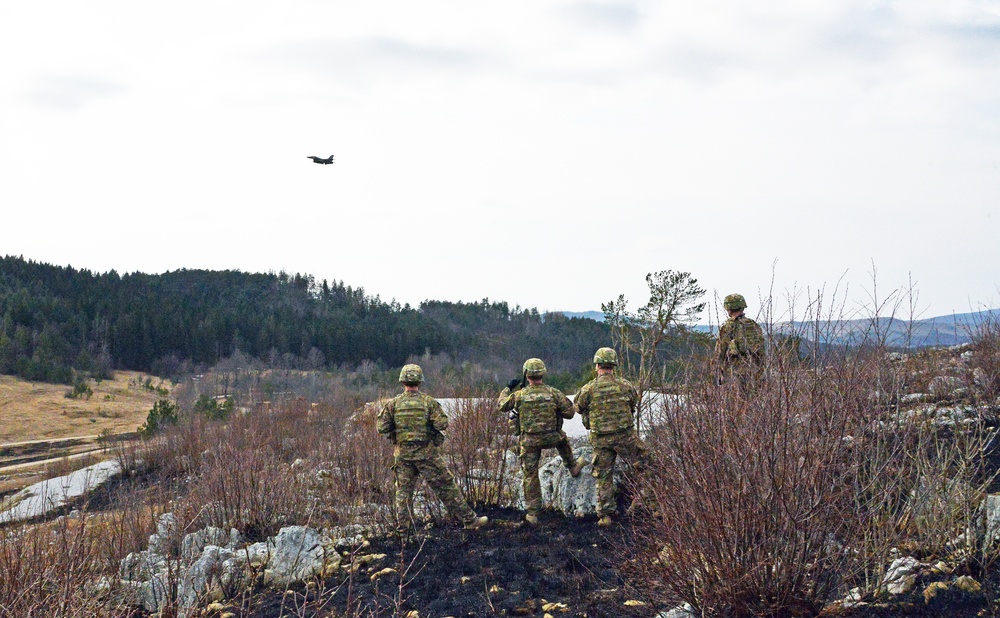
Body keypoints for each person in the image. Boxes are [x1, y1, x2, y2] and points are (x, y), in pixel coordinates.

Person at [377, 364, 488, 534]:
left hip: (403, 455)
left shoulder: (394, 404)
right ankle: (470, 520)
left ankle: (403, 532)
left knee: (403, 494)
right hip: (427, 455)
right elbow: (442, 423)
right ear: (420, 381)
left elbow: (381, 427)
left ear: (402, 381)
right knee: (446, 487)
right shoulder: (428, 403)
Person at [498, 358, 585, 525]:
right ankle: (572, 466)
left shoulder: (520, 395)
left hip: (530, 441)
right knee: (563, 439)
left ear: (527, 376)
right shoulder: (553, 393)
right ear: (543, 374)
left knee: (530, 474)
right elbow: (570, 413)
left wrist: (507, 388)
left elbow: (502, 405)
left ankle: (533, 514)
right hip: (552, 436)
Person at [574, 347, 648, 527]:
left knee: (603, 476)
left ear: (597, 365)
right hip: (626, 436)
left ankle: (606, 515)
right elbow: (633, 403)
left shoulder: (589, 388)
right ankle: (652, 506)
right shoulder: (625, 385)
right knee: (646, 464)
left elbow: (578, 407)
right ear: (614, 365)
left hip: (601, 439)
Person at [715, 293, 765, 384]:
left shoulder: (727, 327)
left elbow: (719, 353)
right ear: (742, 307)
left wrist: (716, 375)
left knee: (736, 398)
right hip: (754, 371)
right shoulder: (753, 325)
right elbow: (761, 351)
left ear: (728, 309)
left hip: (734, 373)